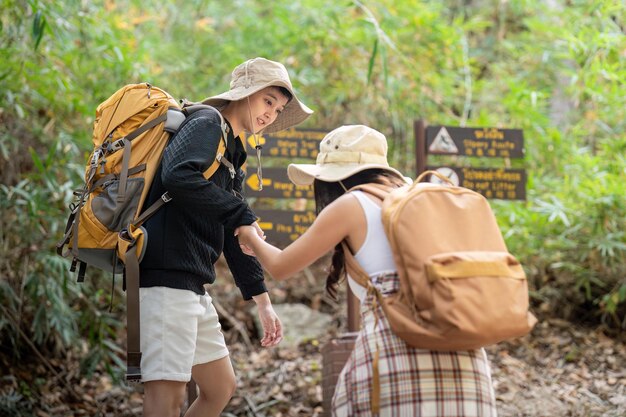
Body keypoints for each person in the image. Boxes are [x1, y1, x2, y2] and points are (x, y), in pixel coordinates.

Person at [235, 125, 498, 416]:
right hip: (469, 367)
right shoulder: (422, 201)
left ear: (333, 179)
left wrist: (248, 235)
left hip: (397, 366)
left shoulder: (352, 203)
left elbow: (282, 266)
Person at [138, 57, 313, 417]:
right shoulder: (205, 123)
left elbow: (235, 231)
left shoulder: (232, 150)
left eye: (278, 109)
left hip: (192, 282)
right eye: (268, 101)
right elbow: (178, 176)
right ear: (244, 94)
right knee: (167, 397)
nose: (271, 115)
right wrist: (240, 214)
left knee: (220, 387)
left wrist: (261, 300)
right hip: (165, 275)